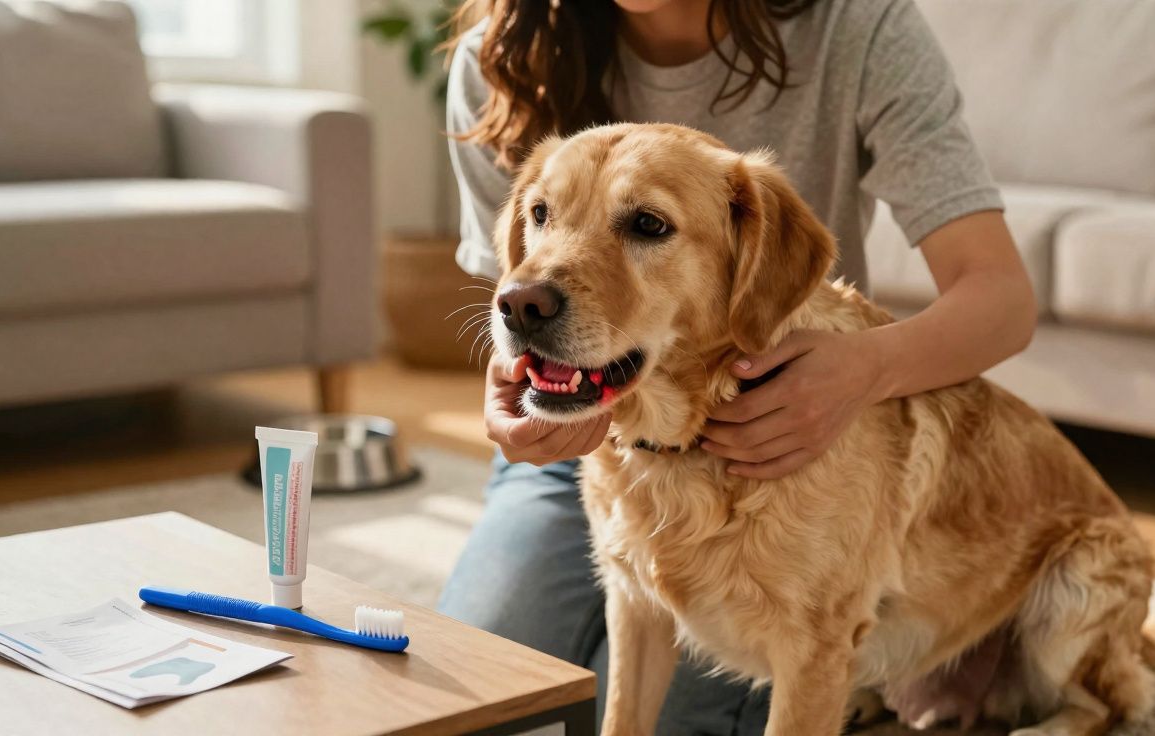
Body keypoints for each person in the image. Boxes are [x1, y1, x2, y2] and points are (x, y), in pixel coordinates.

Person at [437, 0, 1036, 732]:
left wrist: (863, 370)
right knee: (470, 700)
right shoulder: (500, 54)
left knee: (694, 714)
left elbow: (1001, 297)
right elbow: (525, 302)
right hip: (586, 446)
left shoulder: (857, 27)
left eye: (646, 224)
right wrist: (512, 396)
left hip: (789, 426)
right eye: (542, 213)